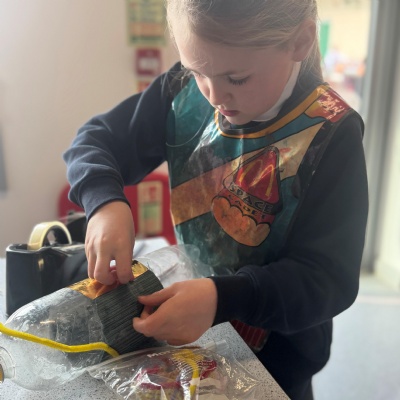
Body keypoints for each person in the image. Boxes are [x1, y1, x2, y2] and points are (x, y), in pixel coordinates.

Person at [63, 1, 369, 399]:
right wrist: (105, 203)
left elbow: (328, 279)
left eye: (236, 78)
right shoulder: (181, 90)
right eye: (196, 71)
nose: (213, 95)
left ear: (300, 41)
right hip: (193, 341)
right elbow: (93, 141)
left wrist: (222, 297)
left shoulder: (332, 134)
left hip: (278, 361)